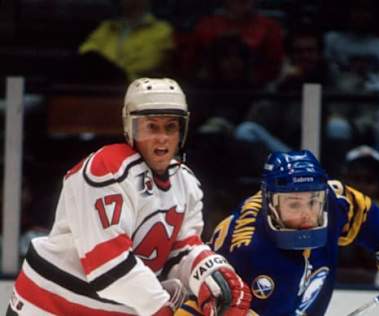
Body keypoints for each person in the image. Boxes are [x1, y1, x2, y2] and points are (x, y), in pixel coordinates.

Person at [7, 78, 251, 316]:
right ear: (130, 128)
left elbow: (180, 251)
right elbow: (108, 264)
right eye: (151, 127)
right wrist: (163, 309)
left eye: (170, 127)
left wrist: (210, 272)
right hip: (49, 305)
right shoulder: (106, 170)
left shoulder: (186, 182)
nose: (162, 137)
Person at [178, 150, 379, 315]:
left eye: (312, 202)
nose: (306, 214)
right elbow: (202, 301)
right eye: (293, 204)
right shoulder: (245, 249)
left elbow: (362, 211)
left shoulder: (332, 203)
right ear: (271, 204)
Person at [79, 0, 175, 81]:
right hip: (102, 85)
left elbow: (149, 64)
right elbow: (86, 50)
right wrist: (105, 69)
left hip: (137, 88)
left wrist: (117, 73)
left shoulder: (161, 30)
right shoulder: (107, 27)